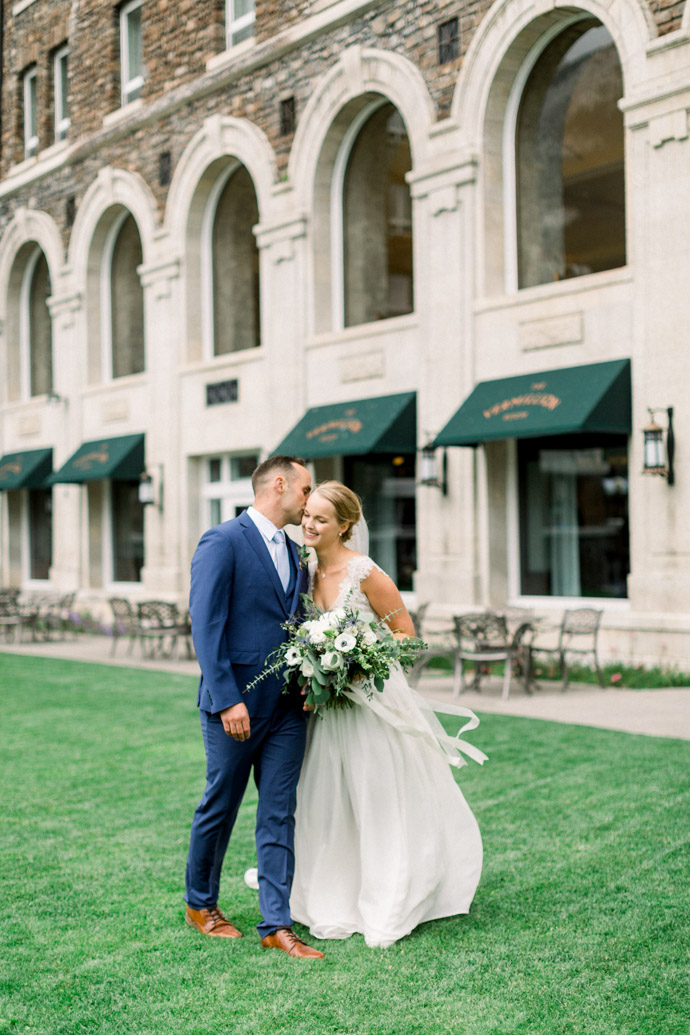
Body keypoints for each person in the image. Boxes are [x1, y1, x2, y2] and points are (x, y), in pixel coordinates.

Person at [290, 481, 486, 949]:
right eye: (307, 515)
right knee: (330, 799)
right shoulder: (305, 568)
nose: (309, 524)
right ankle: (334, 890)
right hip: (329, 710)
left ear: (345, 525)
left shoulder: (366, 572)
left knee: (377, 796)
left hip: (371, 706)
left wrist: (361, 662)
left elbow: (406, 633)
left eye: (321, 518)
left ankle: (393, 892)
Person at [184, 455, 325, 960]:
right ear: (280, 484)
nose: (310, 502)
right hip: (235, 707)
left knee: (279, 812)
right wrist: (227, 700)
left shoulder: (297, 551)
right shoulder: (222, 541)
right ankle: (200, 903)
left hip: (290, 707)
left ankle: (277, 924)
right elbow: (205, 625)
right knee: (220, 806)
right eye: (306, 490)